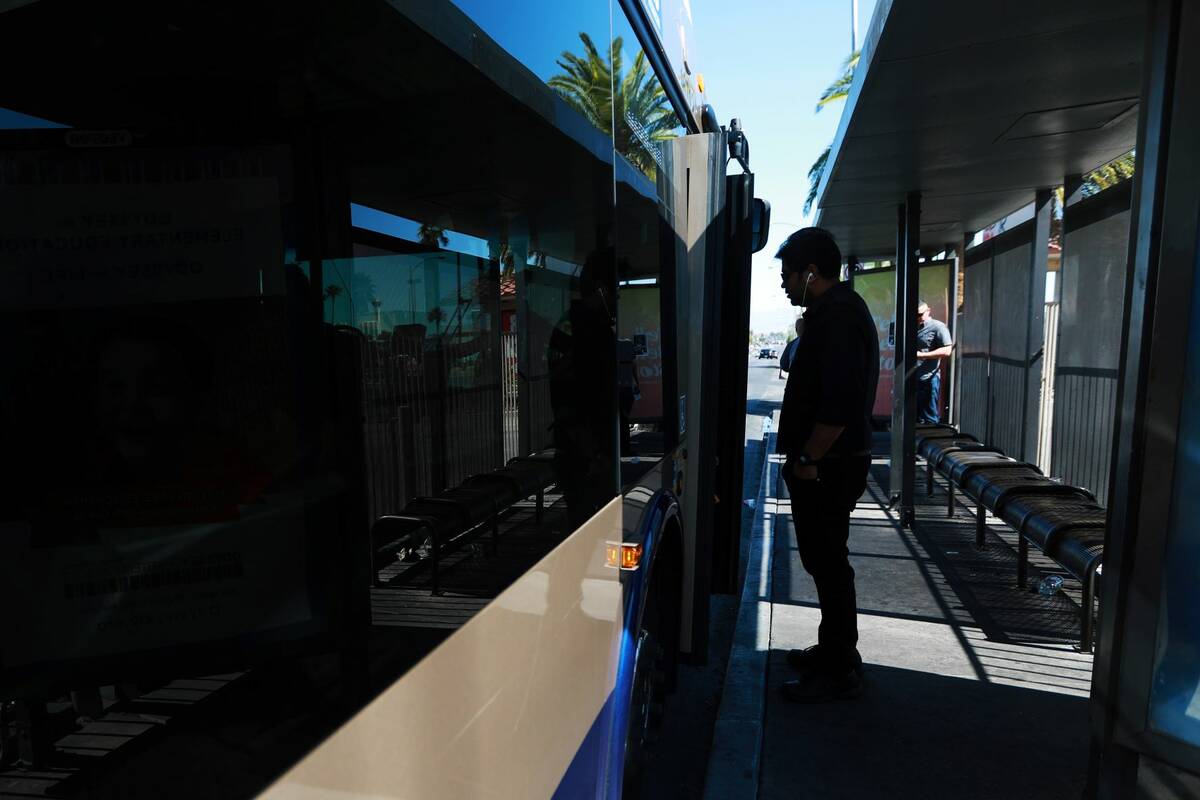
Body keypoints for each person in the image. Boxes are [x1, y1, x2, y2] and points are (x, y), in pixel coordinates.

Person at [775, 227, 879, 702]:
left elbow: (838, 404)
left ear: (810, 272)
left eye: (787, 274)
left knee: (829, 564)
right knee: (825, 562)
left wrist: (807, 459)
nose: (782, 283)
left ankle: (840, 669)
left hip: (827, 467)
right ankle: (835, 650)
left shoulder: (837, 317)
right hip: (829, 464)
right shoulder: (833, 313)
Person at [915, 301, 953, 424]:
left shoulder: (938, 327)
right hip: (909, 379)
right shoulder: (908, 326)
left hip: (927, 379)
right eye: (914, 314)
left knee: (929, 418)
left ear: (928, 311)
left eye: (920, 314)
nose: (917, 317)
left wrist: (923, 355)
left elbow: (947, 350)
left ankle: (929, 441)